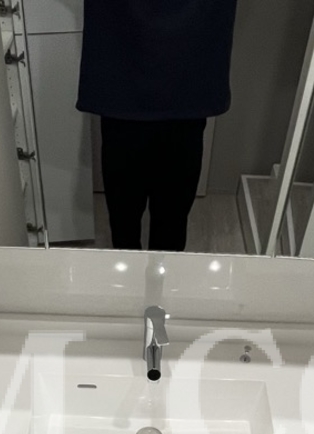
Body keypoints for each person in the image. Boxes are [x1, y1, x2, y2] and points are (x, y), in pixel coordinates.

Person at [77, 0, 238, 252]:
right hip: (150, 80)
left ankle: (141, 269)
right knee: (151, 226)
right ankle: (143, 269)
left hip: (160, 81)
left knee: (147, 225)